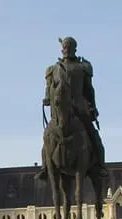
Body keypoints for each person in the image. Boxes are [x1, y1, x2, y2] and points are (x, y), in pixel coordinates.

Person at [35, 36, 108, 181]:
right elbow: (48, 89)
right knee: (47, 138)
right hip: (59, 112)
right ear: (62, 49)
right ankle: (45, 167)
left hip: (79, 110)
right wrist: (47, 99)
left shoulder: (83, 67)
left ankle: (100, 165)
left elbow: (89, 90)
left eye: (69, 47)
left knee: (94, 135)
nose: (66, 50)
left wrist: (92, 107)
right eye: (65, 47)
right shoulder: (52, 69)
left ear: (75, 48)